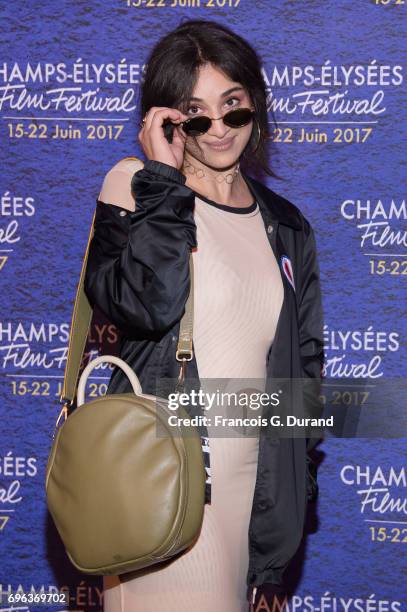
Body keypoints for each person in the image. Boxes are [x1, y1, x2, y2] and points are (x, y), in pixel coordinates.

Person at [84, 19, 325, 612]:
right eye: (195, 114)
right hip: (165, 484)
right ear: (165, 120)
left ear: (256, 107)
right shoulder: (134, 187)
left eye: (234, 108)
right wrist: (165, 183)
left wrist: (294, 483)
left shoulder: (286, 224)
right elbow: (145, 303)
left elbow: (304, 367)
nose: (218, 129)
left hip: (255, 496)